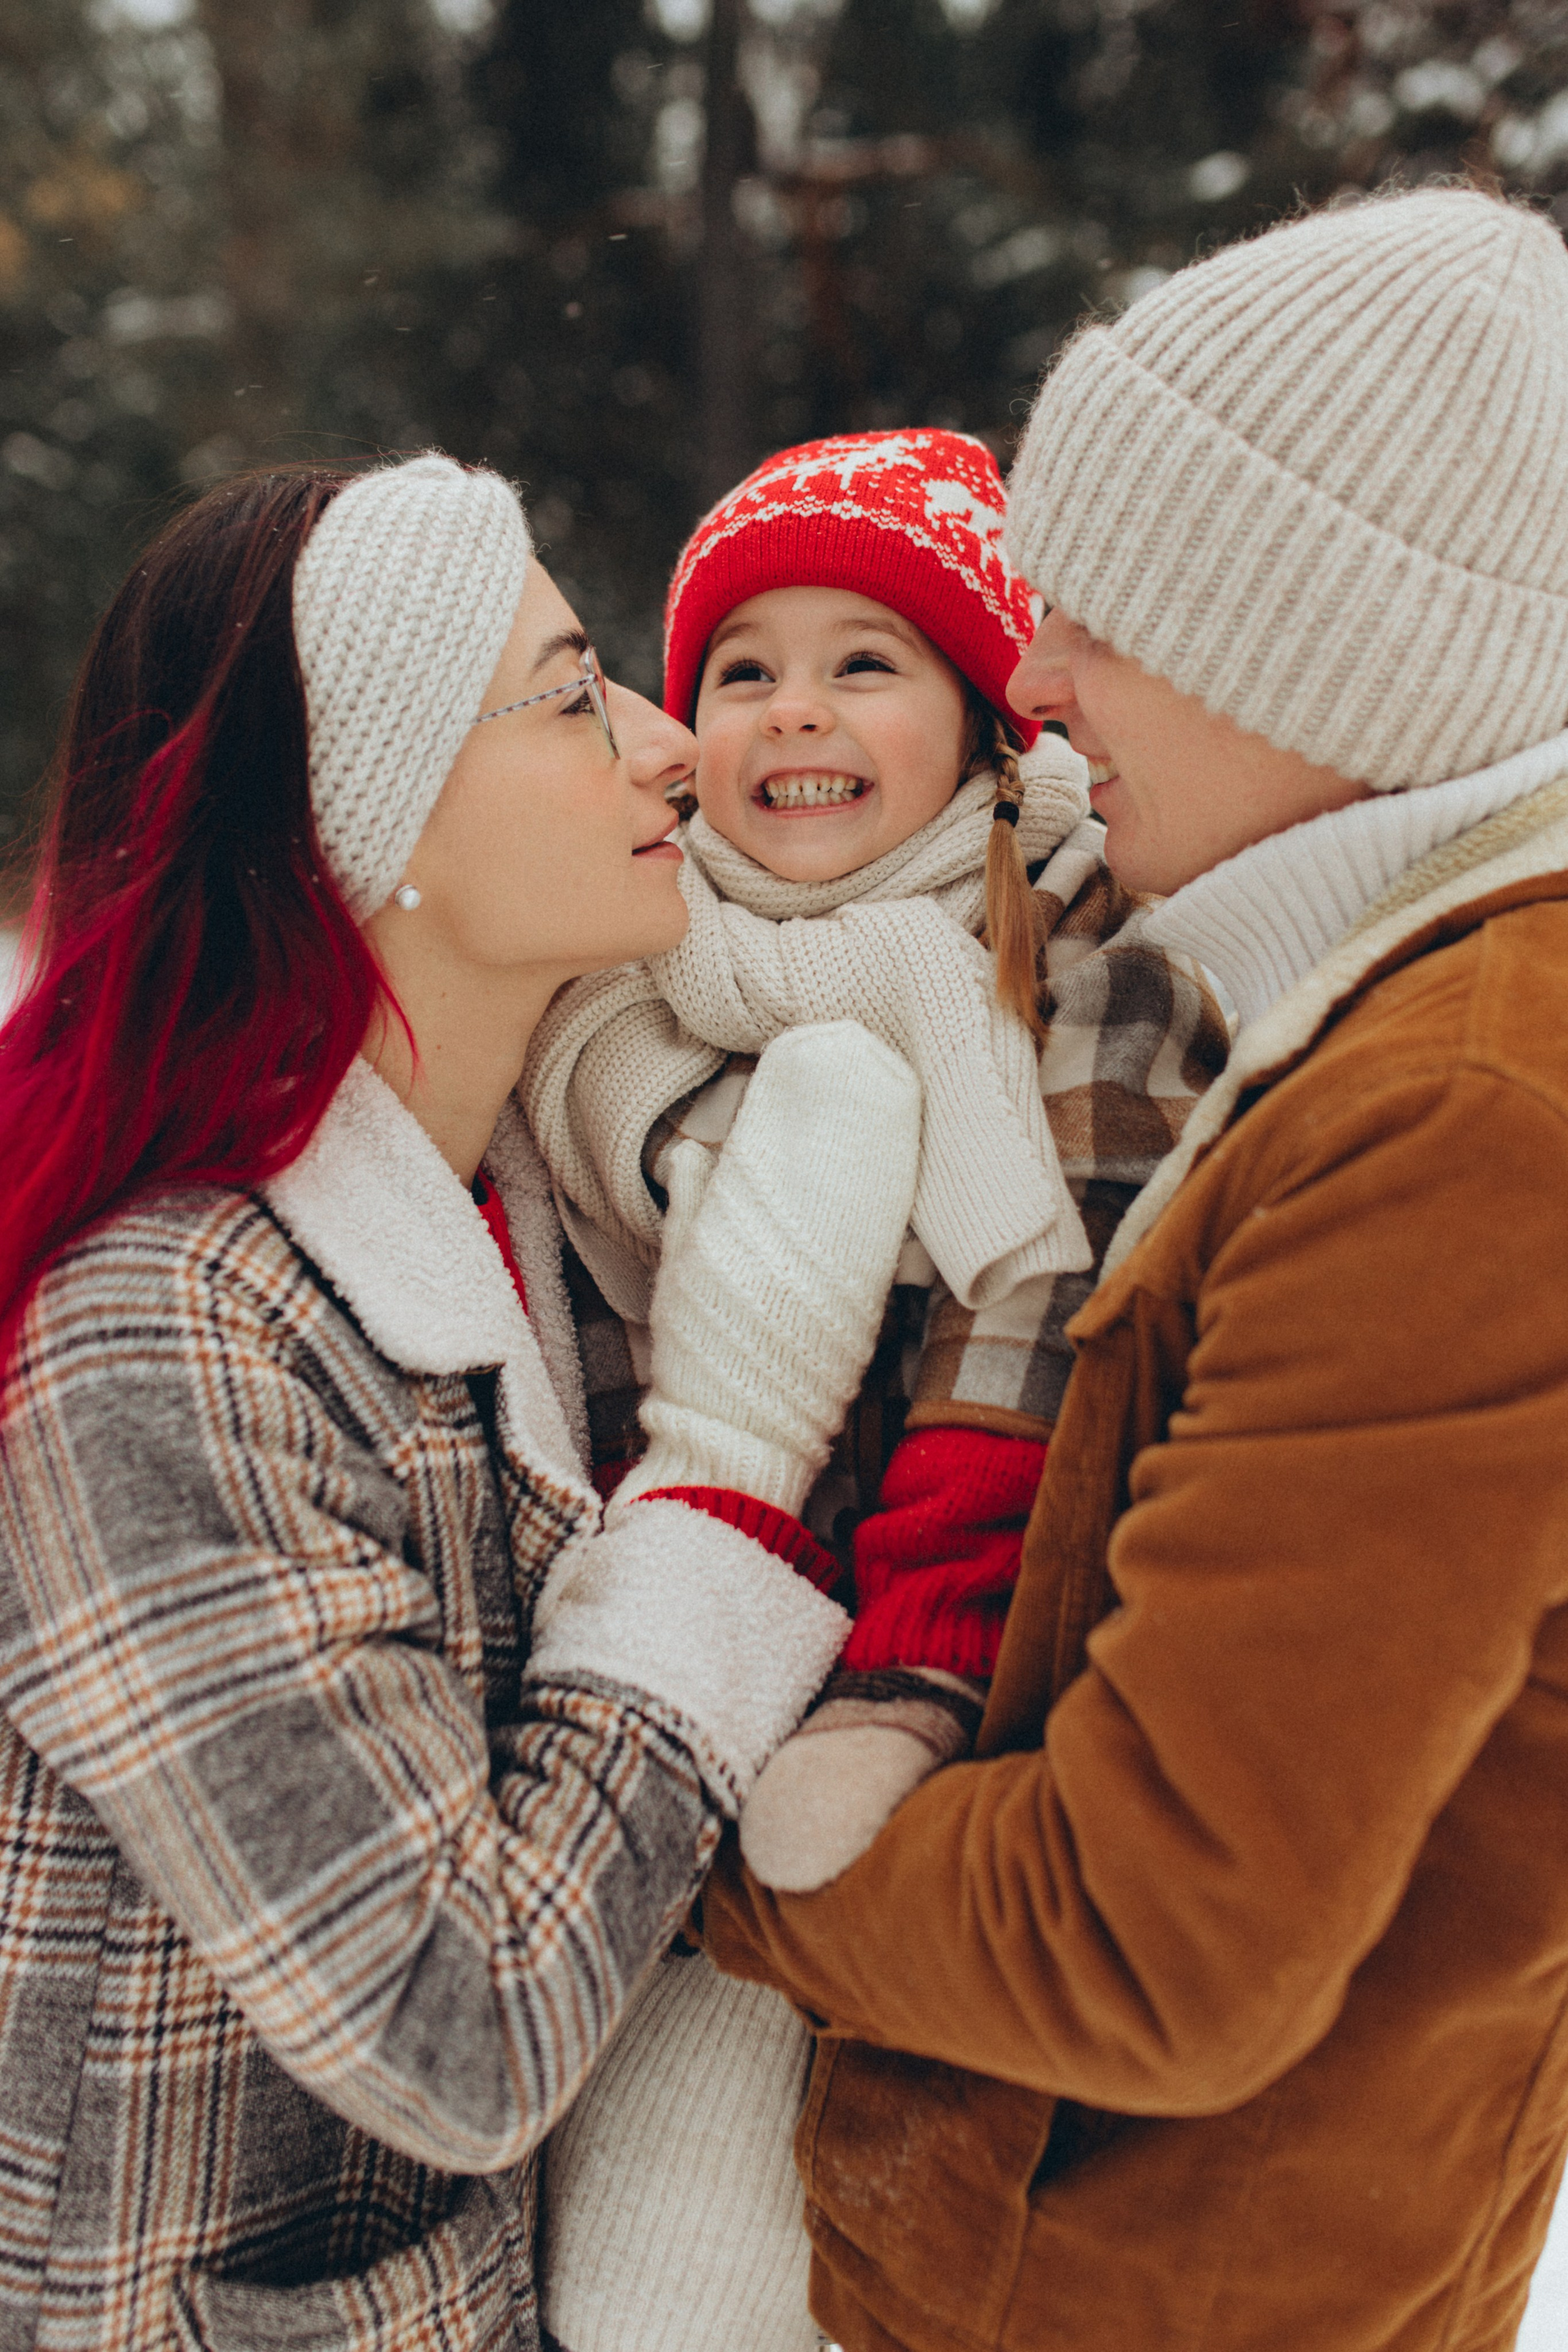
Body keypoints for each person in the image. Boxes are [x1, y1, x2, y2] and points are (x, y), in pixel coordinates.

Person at [698, 186, 1568, 2352]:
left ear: (1323, 654)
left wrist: (672, 1856)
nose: (1041, 684)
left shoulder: (1464, 1118)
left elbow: (1143, 1933)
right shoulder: (1371, 1010)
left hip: (1142, 2296)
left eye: (1105, 614)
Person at [0, 450, 924, 2352]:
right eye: (575, 694)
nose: (673, 748)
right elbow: (458, 2026)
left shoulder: (545, 1212)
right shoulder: (166, 1341)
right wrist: (724, 1519)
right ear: (374, 806)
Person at [530, 431, 1223, 2351]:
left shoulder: (1071, 962)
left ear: (991, 725)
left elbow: (1033, 1342)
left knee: (747, 2247)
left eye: (867, 662)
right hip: (645, 1711)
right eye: (743, 668)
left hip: (919, 1717)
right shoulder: (632, 978)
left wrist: (906, 1676)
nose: (793, 711)